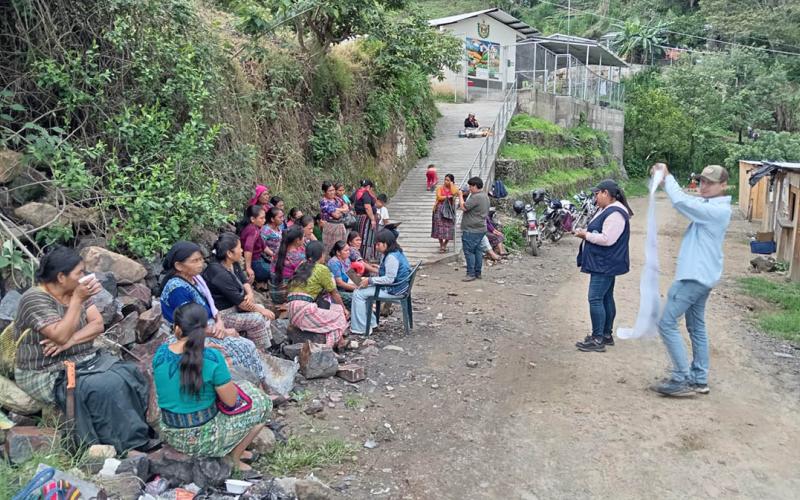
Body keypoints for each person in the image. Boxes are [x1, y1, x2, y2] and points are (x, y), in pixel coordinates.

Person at [14, 247, 150, 453]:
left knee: (127, 372)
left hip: (81, 357)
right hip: (44, 370)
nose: (84, 277)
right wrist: (77, 300)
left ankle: (139, 435)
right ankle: (116, 447)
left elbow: (97, 325)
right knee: (102, 387)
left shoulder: (75, 291)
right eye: (79, 273)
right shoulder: (35, 299)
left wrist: (69, 342)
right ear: (61, 277)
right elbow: (59, 334)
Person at [153, 302, 269, 471]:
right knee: (262, 402)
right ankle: (234, 459)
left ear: (177, 329)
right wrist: (225, 372)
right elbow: (231, 402)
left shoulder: (161, 353)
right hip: (203, 438)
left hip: (171, 433)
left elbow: (183, 359)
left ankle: (232, 449)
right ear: (205, 328)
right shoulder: (212, 358)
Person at [650, 163, 732, 396]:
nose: (703, 186)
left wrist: (667, 178)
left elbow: (682, 202)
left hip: (693, 277)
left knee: (666, 323)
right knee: (696, 327)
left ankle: (681, 378)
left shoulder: (716, 211)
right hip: (702, 277)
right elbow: (689, 201)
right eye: (702, 181)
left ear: (723, 185)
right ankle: (698, 378)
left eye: (710, 182)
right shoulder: (710, 206)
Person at [160, 241, 268, 386]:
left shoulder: (195, 279)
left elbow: (212, 306)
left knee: (244, 342)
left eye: (201, 259)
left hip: (211, 323)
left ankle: (260, 381)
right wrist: (223, 332)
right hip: (191, 334)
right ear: (179, 266)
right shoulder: (177, 289)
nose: (200, 264)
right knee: (243, 346)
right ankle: (251, 386)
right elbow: (188, 324)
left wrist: (220, 323)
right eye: (195, 261)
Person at [573, 179, 634, 353]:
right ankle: (606, 334)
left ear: (606, 193)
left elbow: (607, 239)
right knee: (606, 297)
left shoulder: (615, 213)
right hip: (605, 262)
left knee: (595, 298)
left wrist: (586, 235)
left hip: (605, 263)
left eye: (597, 194)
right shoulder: (608, 209)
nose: (595, 197)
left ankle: (597, 338)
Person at [203, 233, 274, 351]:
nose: (242, 250)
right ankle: (259, 351)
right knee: (258, 317)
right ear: (229, 253)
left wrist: (250, 293)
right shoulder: (218, 273)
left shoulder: (232, 262)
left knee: (260, 309)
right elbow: (242, 304)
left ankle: (262, 345)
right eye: (239, 248)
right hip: (221, 314)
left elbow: (244, 280)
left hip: (234, 306)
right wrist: (262, 310)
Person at [285, 241, 349, 349]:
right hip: (304, 310)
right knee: (340, 316)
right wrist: (344, 309)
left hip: (291, 310)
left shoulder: (301, 266)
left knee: (336, 309)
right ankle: (326, 349)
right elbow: (334, 293)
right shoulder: (321, 269)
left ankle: (340, 341)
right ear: (321, 254)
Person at [350, 230, 411, 335]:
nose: (376, 247)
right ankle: (371, 323)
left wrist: (370, 280)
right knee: (361, 290)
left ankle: (361, 327)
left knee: (358, 293)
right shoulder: (396, 253)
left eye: (378, 244)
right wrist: (379, 269)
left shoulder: (391, 257)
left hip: (394, 289)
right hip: (400, 286)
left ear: (385, 244)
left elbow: (389, 279)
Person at [459, 177, 490, 281]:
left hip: (471, 229)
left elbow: (464, 207)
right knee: (478, 251)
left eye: (471, 186)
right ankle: (478, 272)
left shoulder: (475, 197)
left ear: (475, 186)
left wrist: (460, 196)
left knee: (469, 251)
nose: (469, 188)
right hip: (481, 228)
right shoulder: (485, 196)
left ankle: (471, 273)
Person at [270, 226, 306, 304]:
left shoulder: (279, 250)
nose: (305, 239)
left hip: (273, 292)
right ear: (297, 240)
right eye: (303, 237)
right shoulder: (297, 257)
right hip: (284, 296)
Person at [240, 205, 271, 284]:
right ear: (253, 219)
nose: (264, 220)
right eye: (261, 218)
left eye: (264, 217)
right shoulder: (252, 230)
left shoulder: (255, 228)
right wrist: (248, 268)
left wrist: (273, 254)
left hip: (259, 259)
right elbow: (248, 248)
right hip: (255, 263)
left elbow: (263, 246)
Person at [319, 181, 350, 256]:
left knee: (341, 247)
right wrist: (342, 210)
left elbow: (347, 208)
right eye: (330, 191)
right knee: (330, 248)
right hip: (330, 227)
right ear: (324, 192)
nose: (332, 192)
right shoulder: (324, 201)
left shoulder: (337, 199)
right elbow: (336, 215)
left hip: (340, 226)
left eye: (333, 190)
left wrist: (338, 210)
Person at [431, 174, 459, 253]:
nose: (446, 181)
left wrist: (451, 185)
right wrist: (447, 197)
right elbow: (439, 197)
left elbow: (455, 193)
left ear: (452, 181)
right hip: (439, 209)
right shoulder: (440, 188)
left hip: (449, 210)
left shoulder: (453, 188)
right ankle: (441, 244)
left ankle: (445, 244)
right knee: (439, 227)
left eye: (448, 180)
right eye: (445, 179)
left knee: (449, 227)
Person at [328, 241, 358, 308]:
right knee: (358, 296)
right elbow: (339, 283)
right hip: (336, 292)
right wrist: (356, 288)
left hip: (344, 288)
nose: (348, 252)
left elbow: (349, 276)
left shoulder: (346, 260)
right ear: (338, 252)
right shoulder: (334, 262)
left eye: (349, 250)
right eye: (346, 250)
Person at [353, 179, 378, 261]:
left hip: (358, 218)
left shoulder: (357, 192)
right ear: (368, 187)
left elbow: (349, 201)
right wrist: (372, 219)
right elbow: (367, 207)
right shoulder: (366, 193)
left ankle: (360, 257)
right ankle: (365, 258)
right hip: (366, 220)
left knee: (360, 236)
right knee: (366, 239)